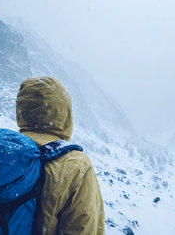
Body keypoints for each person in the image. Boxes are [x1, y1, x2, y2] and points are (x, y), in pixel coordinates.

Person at [16, 76, 105, 235]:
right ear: (65, 114)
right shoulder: (76, 165)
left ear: (21, 110)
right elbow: (84, 229)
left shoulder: (3, 150)